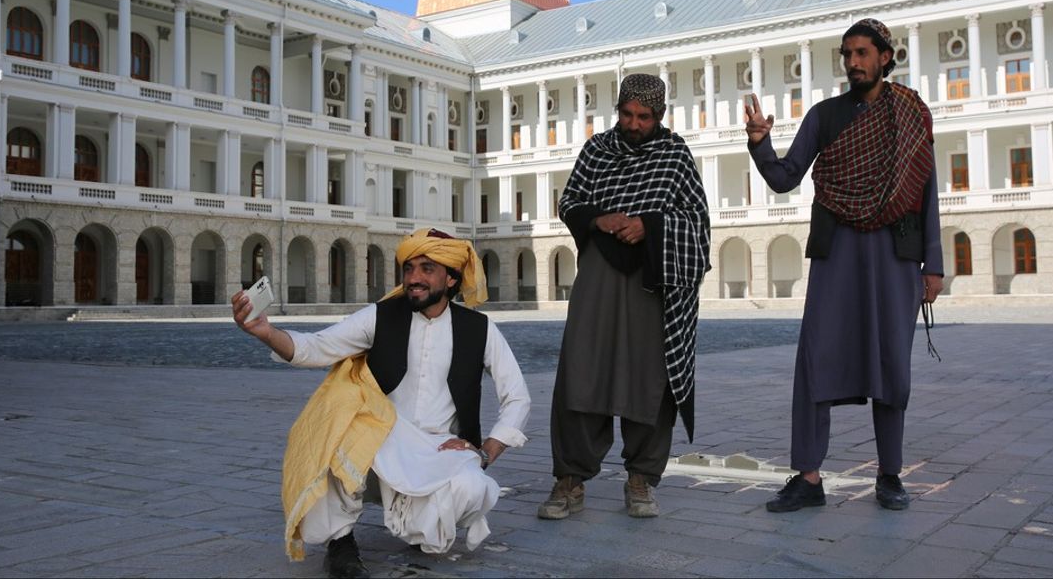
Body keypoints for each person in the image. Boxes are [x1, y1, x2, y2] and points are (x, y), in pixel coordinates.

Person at [232, 228, 531, 578]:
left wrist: (487, 451)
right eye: (409, 268)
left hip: (437, 447)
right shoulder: (381, 315)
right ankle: (340, 543)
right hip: (379, 437)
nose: (413, 278)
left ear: (450, 279)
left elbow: (517, 397)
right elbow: (316, 347)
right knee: (334, 435)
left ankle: (419, 526)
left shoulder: (479, 329)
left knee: (473, 488)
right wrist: (266, 332)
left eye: (426, 269)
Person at [743, 18, 944, 513]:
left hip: (895, 255)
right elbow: (787, 177)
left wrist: (932, 264)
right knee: (816, 360)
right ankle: (808, 476)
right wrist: (759, 143)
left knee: (890, 364)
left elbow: (926, 195)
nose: (853, 62)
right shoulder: (825, 115)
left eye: (862, 53)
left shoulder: (910, 114)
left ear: (885, 58)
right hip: (837, 254)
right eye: (847, 54)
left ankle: (889, 475)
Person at [539, 73, 711, 520]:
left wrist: (650, 226)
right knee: (582, 371)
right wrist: (600, 219)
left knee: (649, 379)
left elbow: (697, 221)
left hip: (654, 283)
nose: (634, 124)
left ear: (660, 117)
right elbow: (571, 201)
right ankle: (570, 480)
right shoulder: (597, 150)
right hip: (599, 274)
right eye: (627, 114)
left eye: (644, 117)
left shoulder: (675, 156)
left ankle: (641, 481)